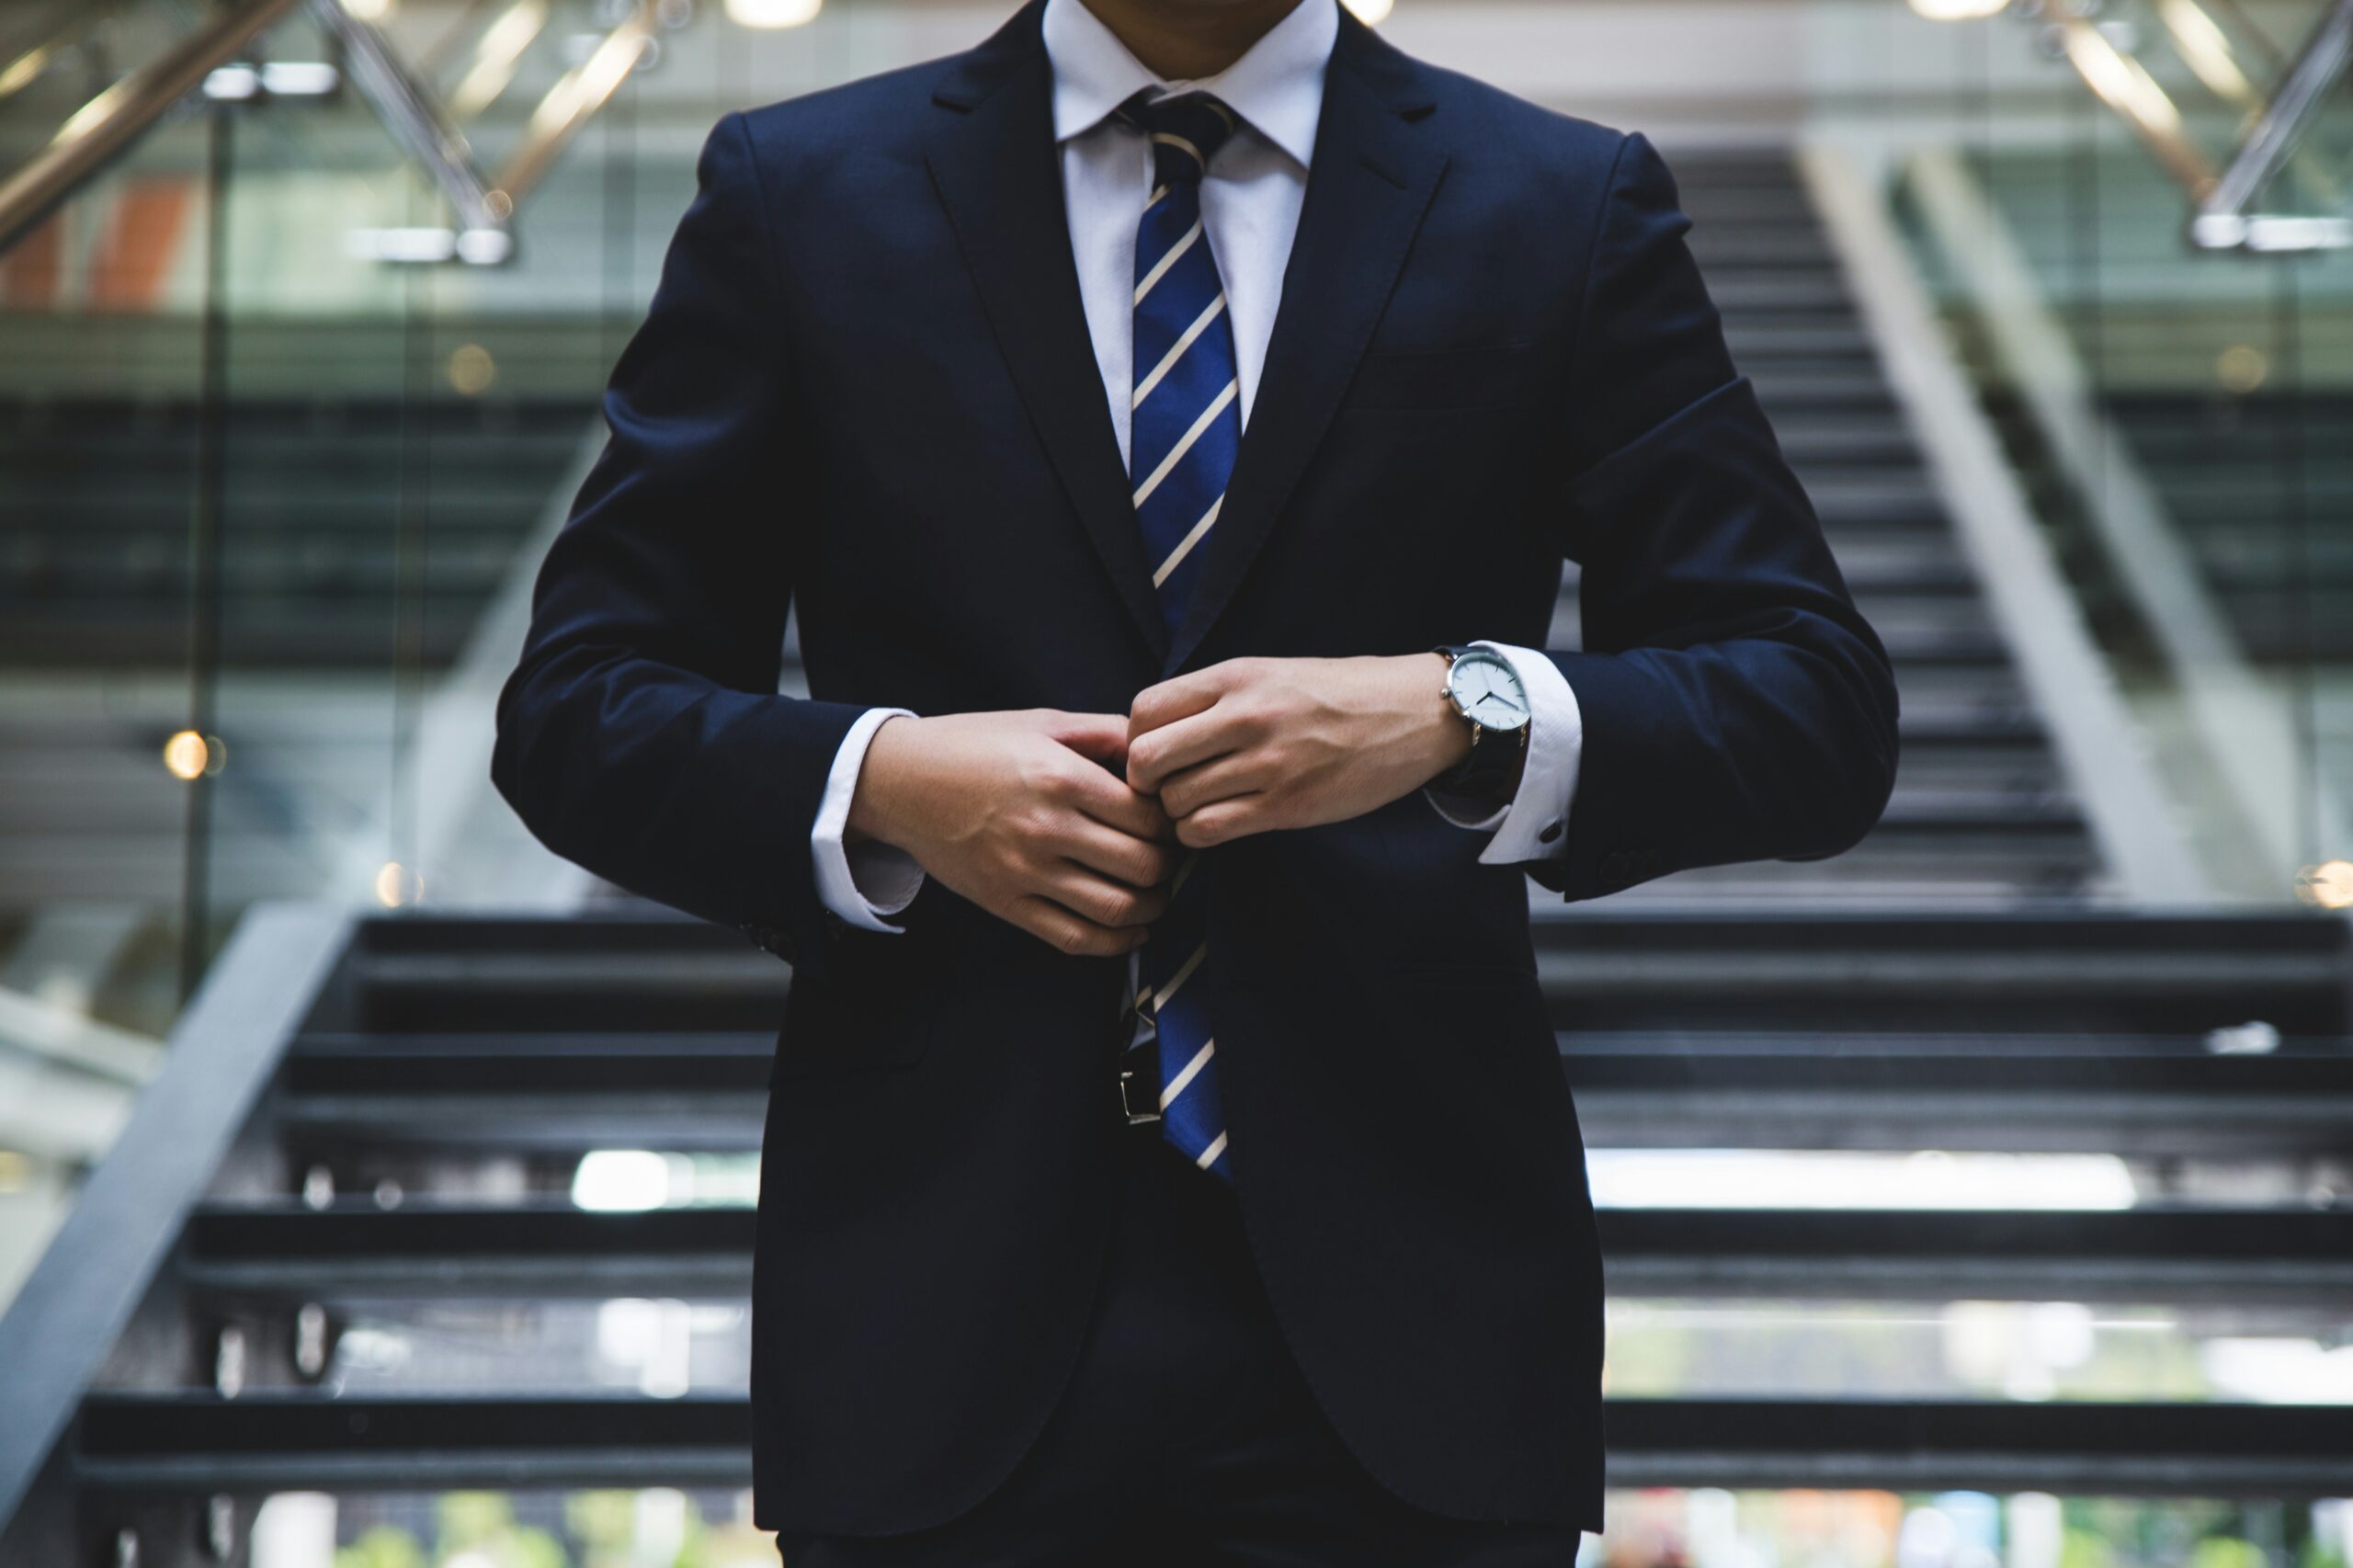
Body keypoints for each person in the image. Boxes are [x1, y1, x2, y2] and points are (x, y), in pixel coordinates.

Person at [491, 0, 1898, 1557]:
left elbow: (1810, 701)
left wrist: (1460, 706)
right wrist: (883, 777)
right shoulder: (802, 190)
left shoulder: (1557, 199)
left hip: (1412, 1331)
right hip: (935, 1317)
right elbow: (575, 706)